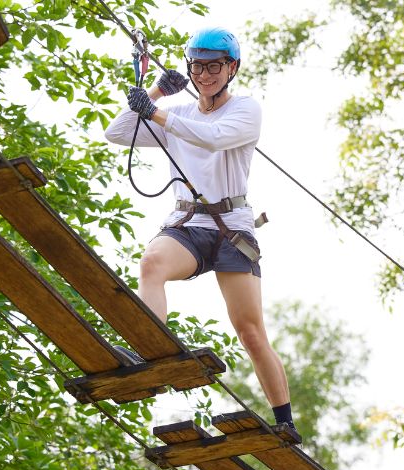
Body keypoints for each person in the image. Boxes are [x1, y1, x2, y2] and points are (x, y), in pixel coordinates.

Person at [104, 27, 294, 430]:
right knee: (153, 262)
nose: (204, 74)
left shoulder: (245, 110)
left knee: (250, 332)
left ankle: (285, 420)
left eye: (213, 66)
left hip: (231, 229)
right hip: (189, 223)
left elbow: (212, 139)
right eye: (197, 66)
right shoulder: (181, 113)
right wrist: (154, 93)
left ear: (232, 69)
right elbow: (118, 133)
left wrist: (156, 112)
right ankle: (150, 350)